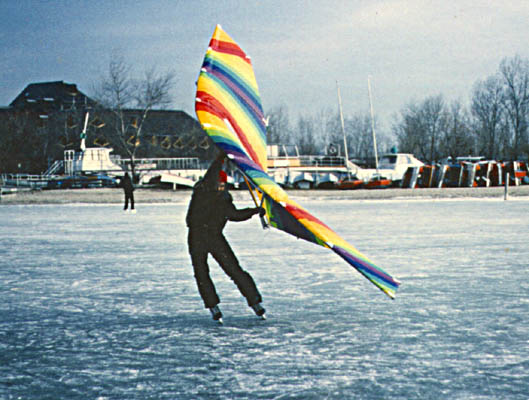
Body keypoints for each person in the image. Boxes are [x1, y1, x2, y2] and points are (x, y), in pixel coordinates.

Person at [186, 154, 266, 322]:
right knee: (201, 273)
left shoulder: (223, 199)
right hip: (197, 236)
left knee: (234, 269)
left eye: (224, 185)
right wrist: (223, 155)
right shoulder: (203, 190)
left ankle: (255, 302)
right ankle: (212, 306)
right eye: (219, 184)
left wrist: (253, 211)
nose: (221, 187)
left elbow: (235, 215)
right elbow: (213, 171)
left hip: (214, 237)